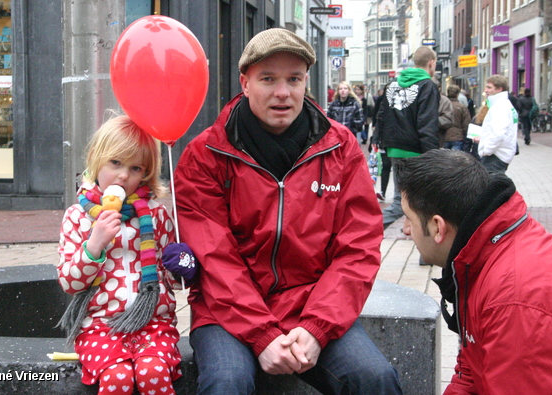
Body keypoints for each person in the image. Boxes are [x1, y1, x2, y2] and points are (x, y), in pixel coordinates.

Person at [173, 28, 402, 394]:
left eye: (294, 79)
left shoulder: (340, 148)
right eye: (268, 79)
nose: (283, 92)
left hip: (312, 304)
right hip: (226, 313)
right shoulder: (205, 156)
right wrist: (262, 334)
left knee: (375, 378)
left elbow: (357, 249)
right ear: (245, 83)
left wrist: (317, 328)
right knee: (226, 382)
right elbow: (214, 257)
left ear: (305, 82)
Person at [397, 149, 552, 394]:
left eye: (408, 218)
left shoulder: (516, 301)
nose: (405, 230)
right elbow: (471, 370)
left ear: (438, 227)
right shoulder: (484, 251)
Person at [57, 115, 196, 395]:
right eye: (115, 163)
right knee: (117, 376)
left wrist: (182, 264)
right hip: (100, 327)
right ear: (97, 159)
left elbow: (172, 280)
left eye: (135, 168)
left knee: (153, 371)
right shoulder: (78, 216)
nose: (123, 175)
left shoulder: (155, 214)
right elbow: (70, 283)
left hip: (153, 324)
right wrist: (94, 245)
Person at [372, 46, 440, 231]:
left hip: (394, 149)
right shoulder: (427, 86)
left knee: (405, 200)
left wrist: (378, 139)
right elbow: (427, 122)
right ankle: (366, 230)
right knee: (413, 202)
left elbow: (381, 115)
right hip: (415, 150)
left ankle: (420, 244)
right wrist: (432, 156)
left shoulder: (392, 85)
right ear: (431, 63)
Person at [478, 75, 518, 174]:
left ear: (499, 89)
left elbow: (498, 133)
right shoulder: (504, 104)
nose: (486, 90)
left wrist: (486, 150)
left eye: (489, 87)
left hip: (495, 156)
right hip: (500, 154)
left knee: (490, 186)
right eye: (486, 87)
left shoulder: (500, 107)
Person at [444, 85, 471, 150]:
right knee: (455, 158)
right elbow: (466, 123)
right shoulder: (461, 107)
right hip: (457, 136)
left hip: (444, 136)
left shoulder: (442, 105)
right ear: (457, 94)